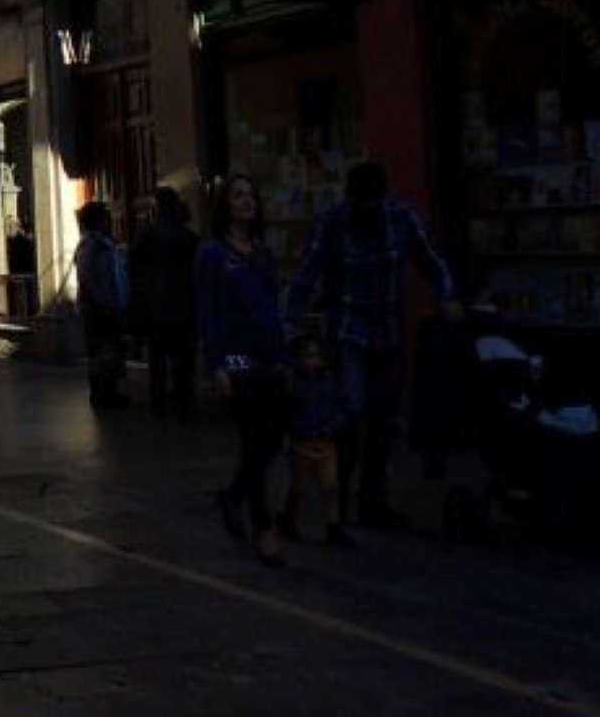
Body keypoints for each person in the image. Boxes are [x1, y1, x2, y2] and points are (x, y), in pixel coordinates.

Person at [284, 158, 460, 528]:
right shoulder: (332, 222)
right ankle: (340, 493)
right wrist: (287, 317)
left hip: (388, 330)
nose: (366, 210)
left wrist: (447, 295)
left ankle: (373, 498)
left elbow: (431, 260)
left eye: (372, 203)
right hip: (348, 331)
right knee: (351, 406)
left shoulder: (400, 218)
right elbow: (307, 272)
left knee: (383, 418)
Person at [196, 173, 289, 568]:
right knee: (254, 441)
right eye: (237, 196)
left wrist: (284, 351)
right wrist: (217, 364)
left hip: (269, 360)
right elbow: (207, 312)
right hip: (237, 361)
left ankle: (233, 495)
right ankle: (263, 527)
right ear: (225, 205)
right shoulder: (213, 255)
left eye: (251, 196)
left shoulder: (263, 254)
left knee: (273, 440)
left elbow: (273, 306)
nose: (246, 202)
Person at [279, 332, 355, 548]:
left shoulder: (330, 381)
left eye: (317, 356)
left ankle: (333, 526)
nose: (315, 361)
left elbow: (345, 407)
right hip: (302, 442)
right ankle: (289, 518)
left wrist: (333, 427)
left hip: (326, 442)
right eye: (309, 356)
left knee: (330, 487)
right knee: (298, 487)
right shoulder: (295, 383)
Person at [130, 185, 199, 414]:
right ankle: (184, 398)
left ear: (158, 206)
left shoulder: (148, 234)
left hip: (155, 304)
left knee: (157, 357)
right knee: (183, 357)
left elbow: (133, 266)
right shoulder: (188, 236)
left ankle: (157, 401)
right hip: (184, 304)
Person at [74, 200, 129, 410]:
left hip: (110, 304)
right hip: (98, 308)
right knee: (100, 352)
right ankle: (101, 394)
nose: (109, 221)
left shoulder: (106, 243)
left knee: (112, 350)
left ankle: (111, 391)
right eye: (105, 218)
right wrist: (102, 301)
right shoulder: (89, 245)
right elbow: (87, 278)